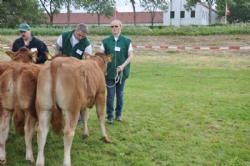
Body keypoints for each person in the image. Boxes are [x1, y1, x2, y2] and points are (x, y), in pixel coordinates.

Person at [100, 19, 134, 124]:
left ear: (120, 27)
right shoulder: (105, 41)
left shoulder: (127, 41)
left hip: (121, 74)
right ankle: (110, 116)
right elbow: (101, 55)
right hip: (109, 74)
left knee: (120, 94)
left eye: (116, 26)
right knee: (110, 95)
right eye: (112, 27)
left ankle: (118, 114)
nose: (114, 28)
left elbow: (131, 56)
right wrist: (105, 62)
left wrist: (122, 66)